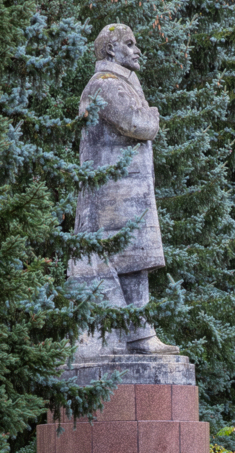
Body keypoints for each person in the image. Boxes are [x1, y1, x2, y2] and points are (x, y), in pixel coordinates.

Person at [70, 23, 178, 355]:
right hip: (112, 200)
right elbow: (138, 124)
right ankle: (136, 337)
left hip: (126, 195)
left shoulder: (121, 84)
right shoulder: (105, 86)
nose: (137, 50)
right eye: (129, 44)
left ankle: (141, 336)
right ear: (110, 51)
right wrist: (154, 115)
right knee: (127, 260)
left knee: (135, 262)